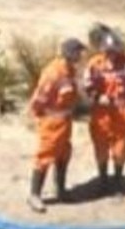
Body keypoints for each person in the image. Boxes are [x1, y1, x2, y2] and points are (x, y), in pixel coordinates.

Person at [28, 38, 86, 213]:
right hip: (52, 122)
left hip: (65, 121)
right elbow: (39, 100)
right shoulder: (53, 73)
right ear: (70, 53)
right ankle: (34, 195)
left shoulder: (70, 71)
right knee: (45, 155)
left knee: (63, 154)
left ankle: (61, 190)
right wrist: (42, 118)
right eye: (78, 52)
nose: (80, 56)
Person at [84, 31, 125, 196]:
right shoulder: (95, 63)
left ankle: (117, 181)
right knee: (101, 151)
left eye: (113, 50)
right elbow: (87, 86)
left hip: (122, 113)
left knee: (120, 152)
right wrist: (98, 97)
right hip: (101, 114)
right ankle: (103, 181)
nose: (110, 54)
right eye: (107, 50)